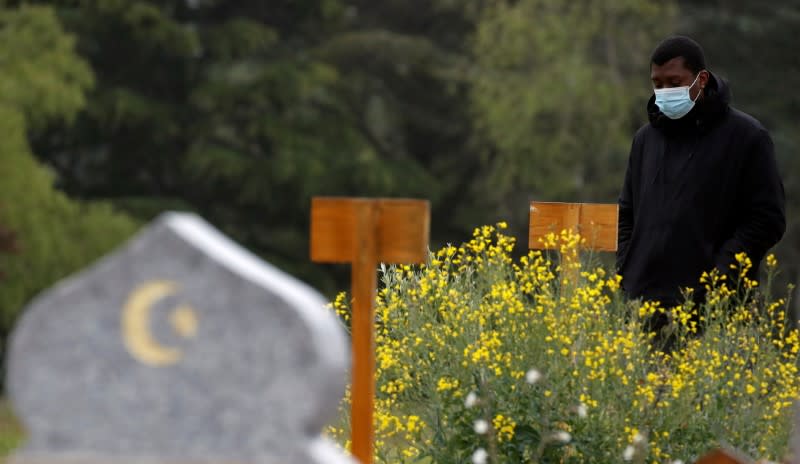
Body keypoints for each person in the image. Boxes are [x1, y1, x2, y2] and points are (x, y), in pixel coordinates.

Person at [616, 36, 785, 310]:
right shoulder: (646, 139)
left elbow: (767, 220)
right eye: (657, 85)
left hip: (714, 308)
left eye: (674, 83)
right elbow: (627, 212)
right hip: (643, 304)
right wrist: (628, 266)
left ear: (701, 80)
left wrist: (721, 277)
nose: (665, 92)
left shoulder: (747, 137)